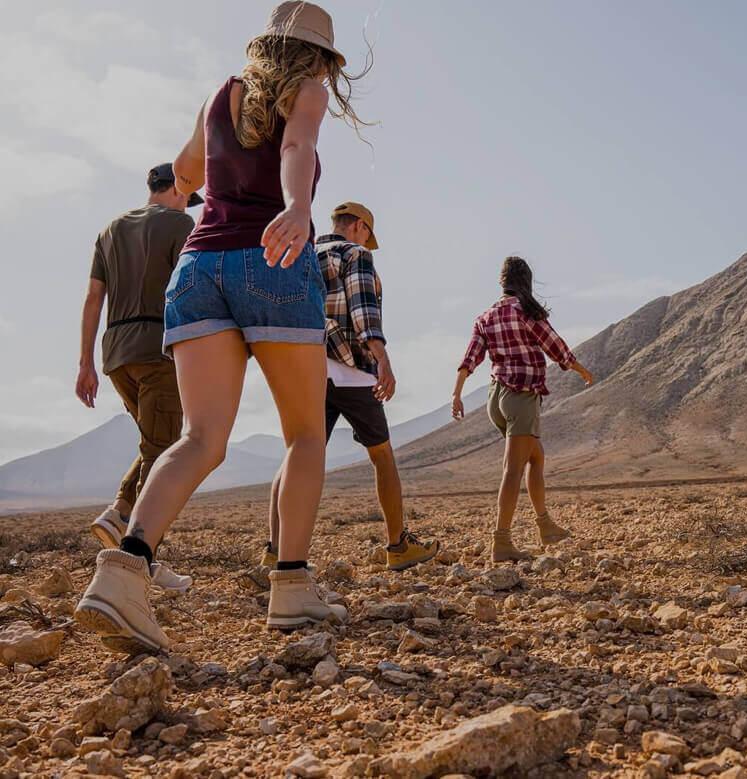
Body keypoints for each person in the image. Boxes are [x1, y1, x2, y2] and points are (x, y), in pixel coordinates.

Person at [75, 0, 364, 654]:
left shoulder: (219, 96)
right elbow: (297, 144)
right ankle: (290, 588)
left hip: (198, 266)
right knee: (305, 435)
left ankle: (123, 572)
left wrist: (225, 161)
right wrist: (295, 203)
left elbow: (185, 172)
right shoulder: (308, 89)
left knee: (200, 437)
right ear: (318, 57)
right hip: (273, 258)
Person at [265, 202, 439, 573]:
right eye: (366, 234)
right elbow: (362, 309)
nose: (366, 242)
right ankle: (398, 545)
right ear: (359, 226)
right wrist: (382, 358)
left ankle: (273, 549)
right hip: (350, 371)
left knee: (297, 454)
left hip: (303, 369)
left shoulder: (301, 255)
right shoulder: (354, 254)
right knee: (381, 455)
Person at [75, 163, 202, 592]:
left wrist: (85, 362)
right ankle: (134, 562)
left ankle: (121, 515)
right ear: (179, 190)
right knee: (168, 453)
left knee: (156, 444)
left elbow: (94, 297)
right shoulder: (180, 224)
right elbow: (190, 288)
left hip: (115, 355)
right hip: (158, 348)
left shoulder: (108, 230)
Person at [452, 256, 594, 563]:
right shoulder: (527, 311)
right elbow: (558, 349)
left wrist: (457, 394)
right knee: (513, 469)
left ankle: (546, 526)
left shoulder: (485, 316)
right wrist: (584, 372)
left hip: (496, 398)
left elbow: (470, 359)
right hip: (521, 396)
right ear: (525, 281)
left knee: (535, 456)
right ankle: (501, 541)